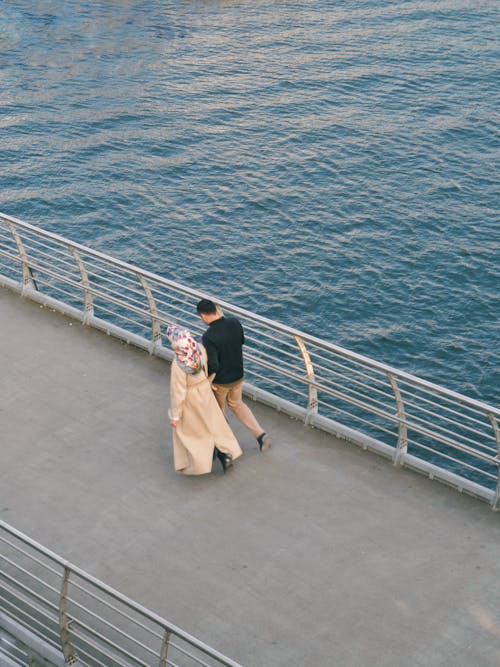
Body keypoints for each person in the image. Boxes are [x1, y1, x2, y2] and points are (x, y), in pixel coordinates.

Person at [196, 298, 271, 451]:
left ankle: (226, 448)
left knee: (218, 412)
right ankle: (261, 435)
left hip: (221, 382)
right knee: (237, 404)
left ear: (203, 316)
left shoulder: (208, 336)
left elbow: (214, 365)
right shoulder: (235, 323)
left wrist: (204, 379)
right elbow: (241, 341)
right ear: (217, 309)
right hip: (238, 375)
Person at [167, 324, 242, 474]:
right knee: (213, 424)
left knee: (195, 432)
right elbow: (209, 365)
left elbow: (178, 392)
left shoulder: (178, 363)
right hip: (205, 390)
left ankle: (200, 464)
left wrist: (175, 415)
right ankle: (225, 454)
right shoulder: (199, 349)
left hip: (191, 398)